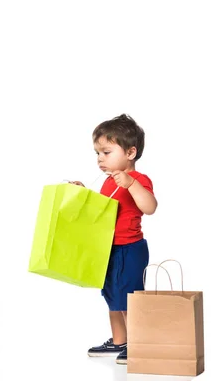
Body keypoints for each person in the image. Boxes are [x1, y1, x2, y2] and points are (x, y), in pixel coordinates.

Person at [70, 114, 157, 365]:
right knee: (112, 296)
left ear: (131, 152)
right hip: (107, 248)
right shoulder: (109, 182)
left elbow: (149, 207)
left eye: (106, 152)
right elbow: (102, 211)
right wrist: (84, 192)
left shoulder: (138, 180)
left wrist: (131, 185)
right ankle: (120, 341)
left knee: (129, 297)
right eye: (97, 153)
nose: (100, 159)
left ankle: (138, 343)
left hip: (130, 249)